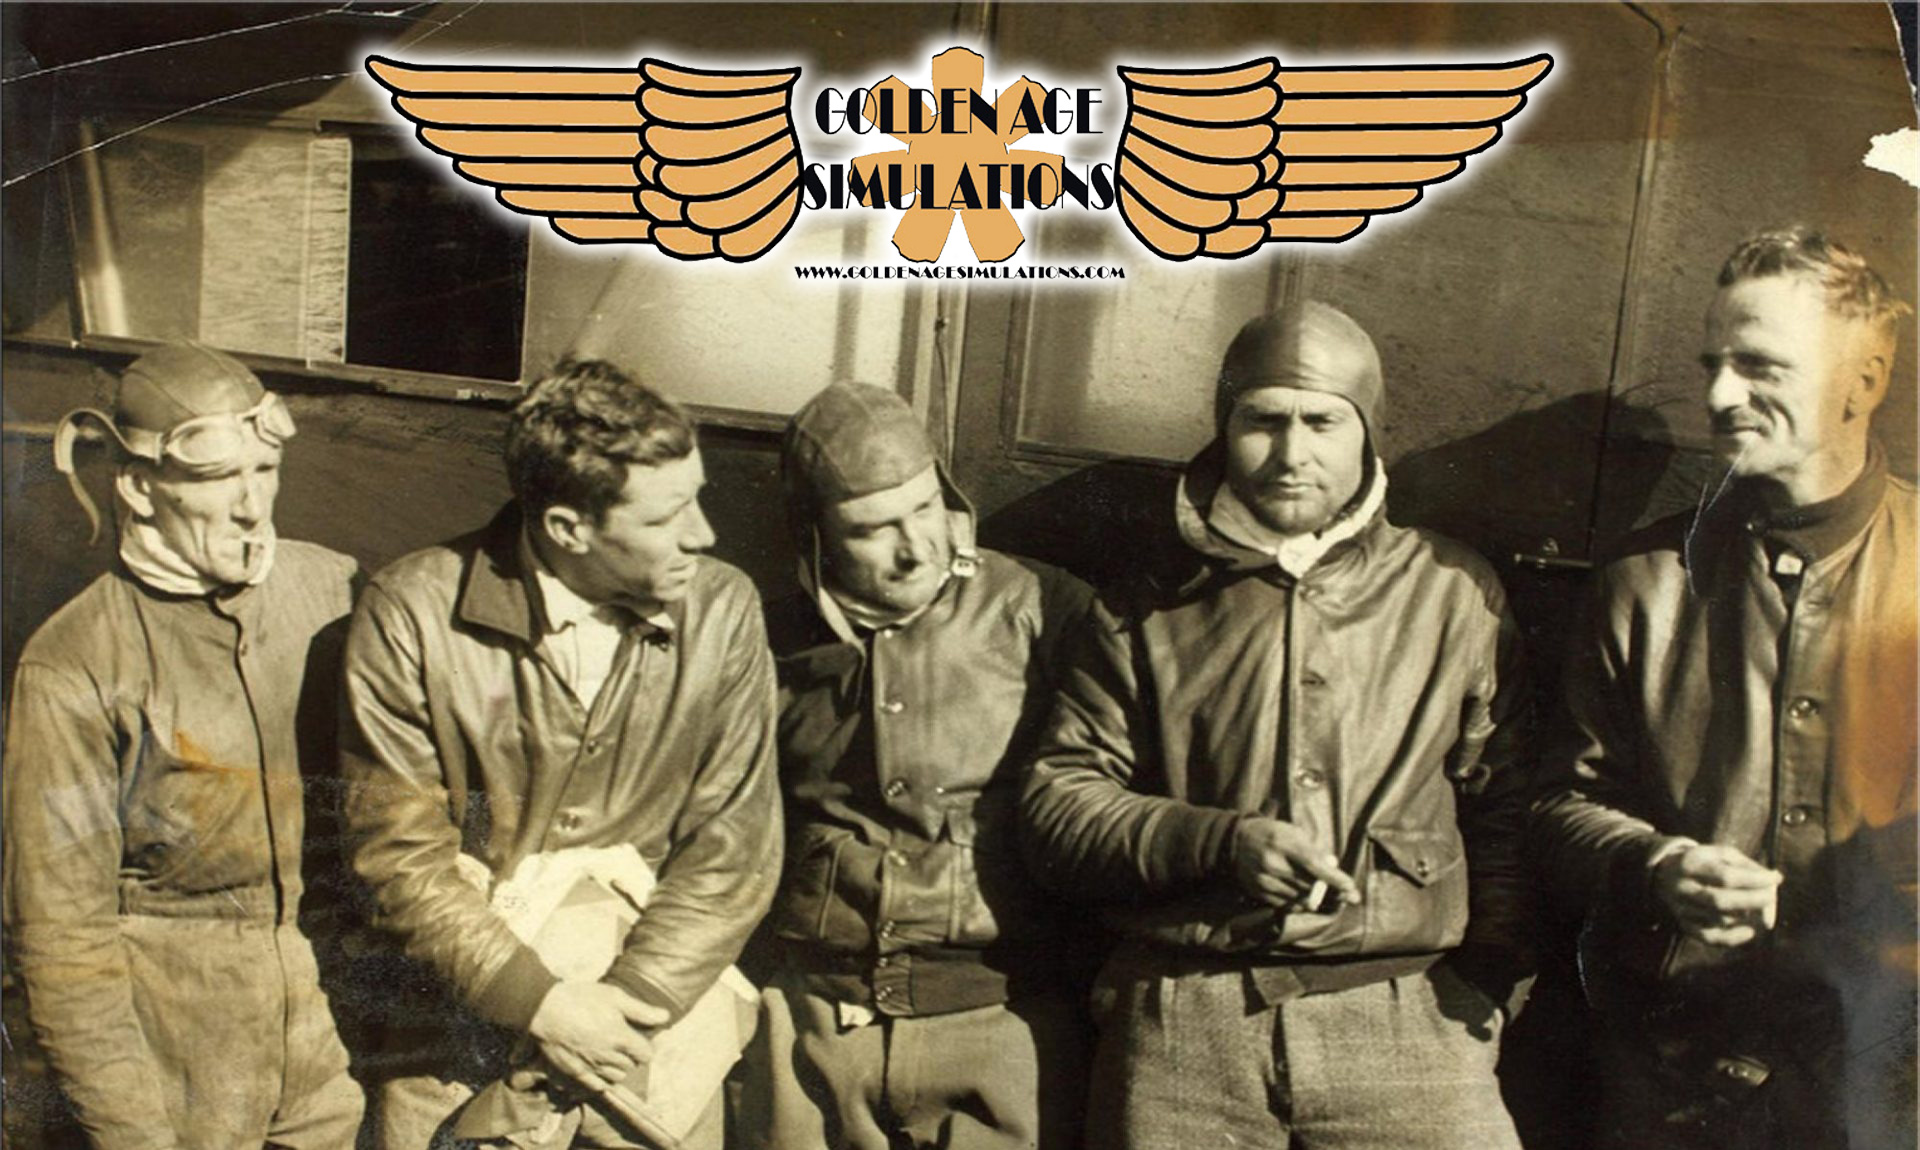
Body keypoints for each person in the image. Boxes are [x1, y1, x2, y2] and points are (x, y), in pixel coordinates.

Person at [1020, 302, 1532, 1150]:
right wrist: (1219, 842)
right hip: (1187, 1023)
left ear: (1367, 432)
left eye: (1323, 422)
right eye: (1263, 421)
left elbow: (1506, 799)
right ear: (1225, 429)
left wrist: (1487, 983)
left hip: (1409, 1018)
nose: (1293, 454)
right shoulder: (1143, 605)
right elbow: (1058, 807)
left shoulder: (1454, 592)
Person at [1531, 227, 1916, 1150]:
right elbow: (1557, 807)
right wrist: (1656, 866)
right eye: (1713, 365)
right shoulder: (1643, 579)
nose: (1717, 397)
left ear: (1864, 380)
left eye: (1760, 367)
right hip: (1675, 1072)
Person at [340, 359, 782, 1149]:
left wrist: (622, 1009)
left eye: (698, 497)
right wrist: (542, 1003)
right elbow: (397, 856)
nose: (703, 534)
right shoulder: (412, 613)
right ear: (567, 528)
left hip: (650, 1046)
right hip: (459, 1046)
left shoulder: (723, 610)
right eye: (667, 517)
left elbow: (734, 849)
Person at [3, 343, 365, 1149]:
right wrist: (134, 1132)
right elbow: (63, 941)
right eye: (217, 479)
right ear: (139, 487)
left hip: (327, 1066)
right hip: (178, 1083)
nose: (251, 507)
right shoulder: (75, 665)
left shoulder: (335, 591)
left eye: (264, 471)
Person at [739, 382, 1092, 1150]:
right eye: (872, 529)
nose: (915, 548)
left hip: (1000, 1023)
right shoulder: (764, 643)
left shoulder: (1041, 608)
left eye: (926, 508)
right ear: (815, 537)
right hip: (813, 1029)